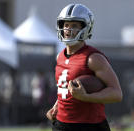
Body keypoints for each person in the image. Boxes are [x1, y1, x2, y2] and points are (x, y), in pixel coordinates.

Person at [46, 3, 122, 131]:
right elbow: (64, 90)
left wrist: (87, 97)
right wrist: (56, 107)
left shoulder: (93, 58)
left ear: (86, 28)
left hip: (90, 125)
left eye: (74, 25)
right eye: (66, 25)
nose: (68, 30)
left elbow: (116, 93)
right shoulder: (60, 57)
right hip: (61, 125)